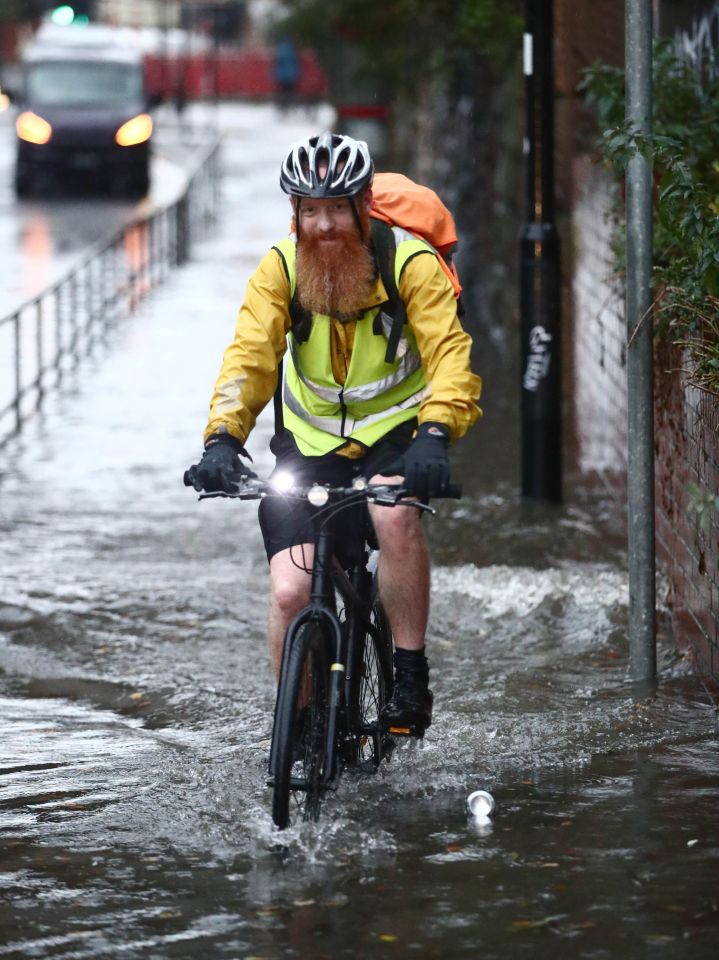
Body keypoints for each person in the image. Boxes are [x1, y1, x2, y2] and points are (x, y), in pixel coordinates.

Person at [185, 132, 481, 736]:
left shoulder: (409, 264)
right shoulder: (282, 267)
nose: (323, 225)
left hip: (398, 430)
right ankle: (295, 731)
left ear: (363, 206)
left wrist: (436, 434)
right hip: (309, 441)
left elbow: (450, 356)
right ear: (294, 212)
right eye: (309, 210)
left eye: (337, 208)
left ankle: (407, 674)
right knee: (292, 590)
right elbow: (249, 358)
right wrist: (222, 439)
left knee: (392, 513)